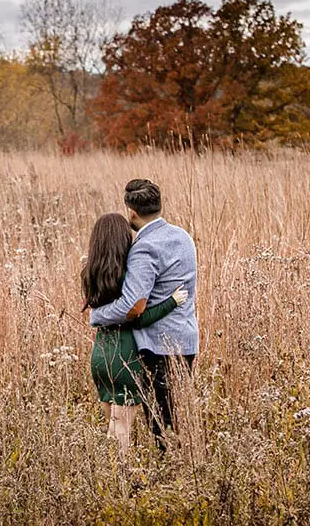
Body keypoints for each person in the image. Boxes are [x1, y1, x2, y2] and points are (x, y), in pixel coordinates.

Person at [89, 179, 198, 450]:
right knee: (175, 417)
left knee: (159, 421)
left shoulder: (143, 247)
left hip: (157, 345)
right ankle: (176, 472)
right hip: (186, 339)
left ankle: (166, 475)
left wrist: (98, 316)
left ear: (132, 212)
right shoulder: (183, 237)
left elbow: (132, 305)